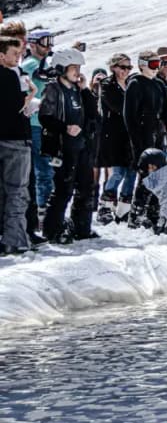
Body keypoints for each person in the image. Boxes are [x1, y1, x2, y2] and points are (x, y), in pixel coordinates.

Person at [39, 47, 100, 242]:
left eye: (79, 67)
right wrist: (65, 127)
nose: (78, 72)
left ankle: (82, 227)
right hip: (63, 147)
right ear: (61, 68)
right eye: (74, 67)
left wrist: (85, 90)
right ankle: (52, 230)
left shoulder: (77, 90)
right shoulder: (53, 89)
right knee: (63, 189)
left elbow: (93, 114)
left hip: (81, 146)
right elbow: (45, 117)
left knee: (86, 187)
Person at [123, 50, 167, 227]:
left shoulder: (159, 84)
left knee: (160, 175)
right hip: (143, 137)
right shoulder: (136, 84)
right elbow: (129, 116)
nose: (156, 68)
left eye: (158, 64)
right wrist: (137, 143)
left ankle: (153, 214)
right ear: (143, 64)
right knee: (146, 176)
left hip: (158, 135)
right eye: (153, 64)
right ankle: (136, 215)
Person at [0, 36, 35, 255]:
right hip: (15, 139)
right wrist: (31, 93)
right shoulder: (13, 76)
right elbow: (20, 106)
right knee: (17, 191)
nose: (18, 58)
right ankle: (14, 239)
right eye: (14, 54)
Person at [97, 53, 134, 224]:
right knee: (118, 171)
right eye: (122, 67)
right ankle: (105, 205)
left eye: (128, 67)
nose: (125, 71)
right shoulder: (106, 85)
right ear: (113, 67)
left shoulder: (131, 84)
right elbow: (118, 106)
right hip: (113, 134)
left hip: (130, 133)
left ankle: (124, 208)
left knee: (132, 171)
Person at [21, 29, 54, 208]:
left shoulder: (43, 64)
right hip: (34, 123)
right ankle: (43, 209)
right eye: (45, 42)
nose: (49, 46)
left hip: (44, 124)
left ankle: (43, 207)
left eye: (51, 42)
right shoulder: (30, 65)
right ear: (33, 44)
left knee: (46, 169)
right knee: (44, 170)